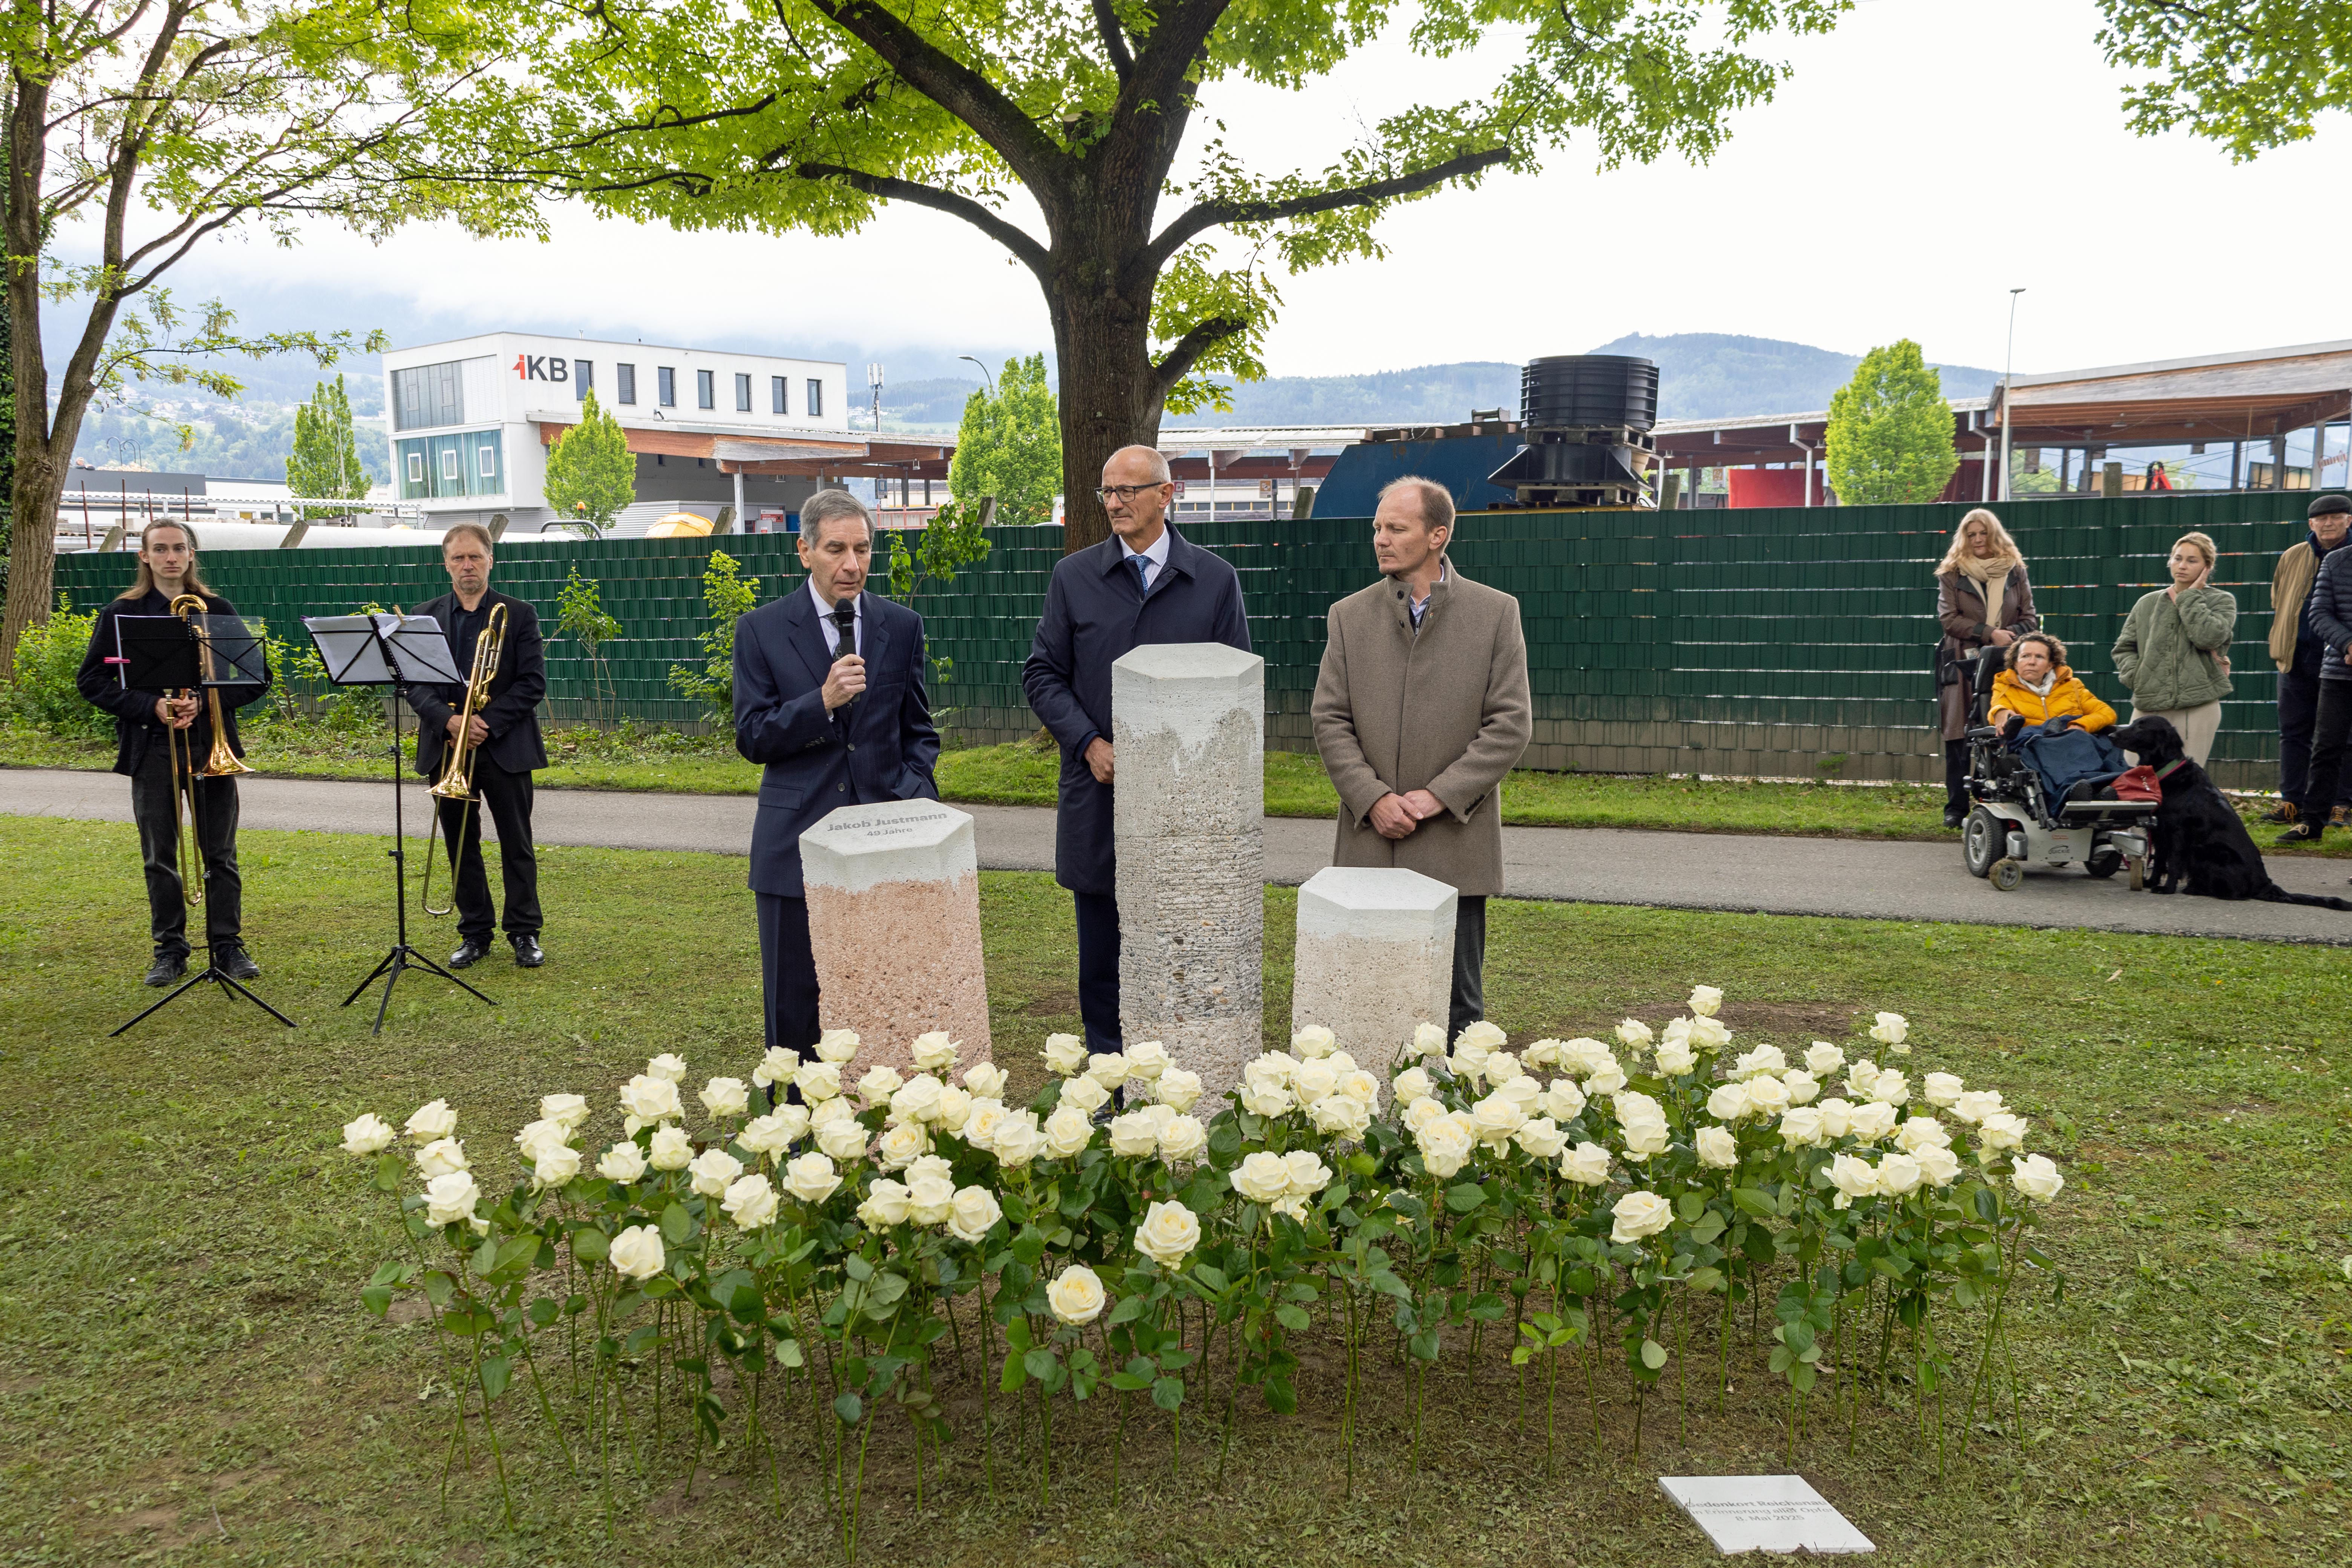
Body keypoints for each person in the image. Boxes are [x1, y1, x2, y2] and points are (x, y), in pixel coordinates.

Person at [1023, 445, 1251, 1053]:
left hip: (1187, 810)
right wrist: (1089, 743)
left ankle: (1187, 1071)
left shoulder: (1215, 581)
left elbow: (1235, 693)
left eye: (1129, 491)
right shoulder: (1074, 579)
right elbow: (1043, 675)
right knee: (1101, 952)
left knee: (1187, 943)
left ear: (1166, 495)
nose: (1116, 504)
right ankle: (1108, 1077)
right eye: (1107, 493)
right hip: (1099, 798)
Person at [1311, 476, 1531, 1041]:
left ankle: (1456, 1123)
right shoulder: (1348, 617)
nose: (1381, 539)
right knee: (1362, 1000)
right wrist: (1372, 798)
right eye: (1378, 527)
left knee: (1458, 1014)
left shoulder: (1496, 614)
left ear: (1438, 535)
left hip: (1455, 845)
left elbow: (1510, 725)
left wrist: (1438, 796)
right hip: (1369, 839)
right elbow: (1330, 719)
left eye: (1397, 528)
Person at [734, 490, 941, 1057]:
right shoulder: (762, 630)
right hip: (793, 845)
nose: (852, 565)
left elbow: (919, 733)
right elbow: (752, 737)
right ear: (804, 551)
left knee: (883, 993)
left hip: (883, 842)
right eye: (836, 550)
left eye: (862, 549)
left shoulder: (901, 626)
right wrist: (820, 702)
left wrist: (908, 801)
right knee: (794, 1003)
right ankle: (795, 1130)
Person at [73, 520, 272, 986]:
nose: (170, 557)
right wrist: (154, 705)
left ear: (191, 553)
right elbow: (93, 681)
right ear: (144, 556)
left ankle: (228, 945)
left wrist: (206, 701)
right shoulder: (121, 613)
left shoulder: (215, 609)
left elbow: (254, 677)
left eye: (179, 548)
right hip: (152, 748)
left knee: (220, 853)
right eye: (160, 549)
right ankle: (170, 949)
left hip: (208, 745)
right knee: (160, 855)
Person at [403, 524, 549, 969]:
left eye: (475, 557)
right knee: (460, 843)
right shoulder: (423, 616)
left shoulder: (518, 614)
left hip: (502, 744)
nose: (467, 565)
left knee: (516, 842)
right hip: (447, 746)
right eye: (458, 558)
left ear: (491, 559)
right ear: (446, 563)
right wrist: (448, 720)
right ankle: (475, 932)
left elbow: (532, 683)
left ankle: (524, 932)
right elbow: (414, 682)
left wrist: (485, 722)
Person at [1935, 508, 2039, 827]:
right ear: (1964, 539)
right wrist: (1987, 633)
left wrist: (2008, 638)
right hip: (1962, 661)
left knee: (2004, 730)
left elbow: (2030, 619)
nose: (1978, 540)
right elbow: (1949, 620)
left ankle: (2000, 803)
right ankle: (1955, 807)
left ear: (1994, 536)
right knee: (1958, 735)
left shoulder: (2016, 571)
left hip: (2006, 663)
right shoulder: (1951, 574)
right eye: (1972, 535)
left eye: (1984, 534)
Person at [2264, 493, 2352, 827]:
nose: (2328, 523)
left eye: (2336, 517)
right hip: (2295, 658)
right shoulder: (2294, 556)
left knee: (2342, 736)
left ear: (2349, 520)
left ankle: (2340, 804)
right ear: (2311, 523)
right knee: (2293, 731)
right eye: (2321, 519)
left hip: (2342, 661)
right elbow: (2279, 596)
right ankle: (2292, 801)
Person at [2113, 530, 2236, 768]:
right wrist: (2138, 677)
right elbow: (2124, 648)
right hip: (2150, 702)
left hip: (2199, 704)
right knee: (2135, 774)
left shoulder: (2222, 601)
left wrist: (2190, 597)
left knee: (2186, 777)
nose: (2182, 566)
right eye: (2178, 558)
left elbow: (2208, 639)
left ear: (2207, 567)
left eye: (2192, 561)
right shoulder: (2147, 602)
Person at [1985, 632, 2115, 738]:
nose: (2032, 662)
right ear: (2015, 663)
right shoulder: (2004, 686)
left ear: (2049, 666)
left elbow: (2107, 713)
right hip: (2033, 743)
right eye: (2025, 656)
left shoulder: (2072, 685)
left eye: (2040, 657)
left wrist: (2080, 726)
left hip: (2072, 741)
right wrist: (2000, 712)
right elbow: (1999, 707)